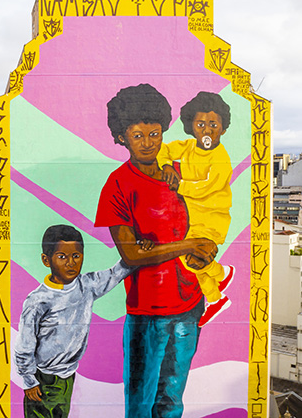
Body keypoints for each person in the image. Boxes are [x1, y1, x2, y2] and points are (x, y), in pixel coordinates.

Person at [94, 83, 218, 418]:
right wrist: (187, 245)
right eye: (138, 135)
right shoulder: (117, 185)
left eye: (154, 134)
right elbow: (131, 255)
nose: (148, 143)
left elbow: (210, 218)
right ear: (121, 137)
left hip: (188, 304)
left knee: (172, 402)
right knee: (140, 404)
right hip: (146, 313)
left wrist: (206, 248)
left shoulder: (179, 174)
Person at [14, 224, 136, 418]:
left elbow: (116, 273)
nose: (71, 263)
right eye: (62, 257)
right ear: (46, 260)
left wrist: (138, 250)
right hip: (43, 380)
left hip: (67, 377)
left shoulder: (87, 285)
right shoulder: (38, 300)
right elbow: (24, 345)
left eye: (76, 256)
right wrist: (29, 380)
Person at [158, 91, 235, 327]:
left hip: (214, 217)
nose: (207, 130)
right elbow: (164, 149)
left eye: (213, 124)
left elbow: (206, 187)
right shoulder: (189, 147)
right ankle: (220, 278)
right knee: (189, 258)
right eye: (200, 124)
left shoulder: (221, 158)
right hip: (193, 218)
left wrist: (179, 185)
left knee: (193, 258)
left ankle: (216, 296)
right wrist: (167, 165)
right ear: (191, 126)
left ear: (223, 128)